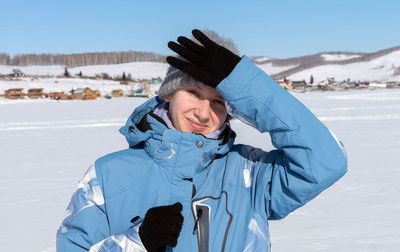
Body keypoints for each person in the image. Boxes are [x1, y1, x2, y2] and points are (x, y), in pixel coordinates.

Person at [57, 29, 347, 252]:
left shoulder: (250, 172)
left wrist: (244, 84)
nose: (203, 113)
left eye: (219, 102)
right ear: (168, 94)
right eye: (194, 93)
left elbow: (326, 161)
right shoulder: (108, 175)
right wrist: (137, 243)